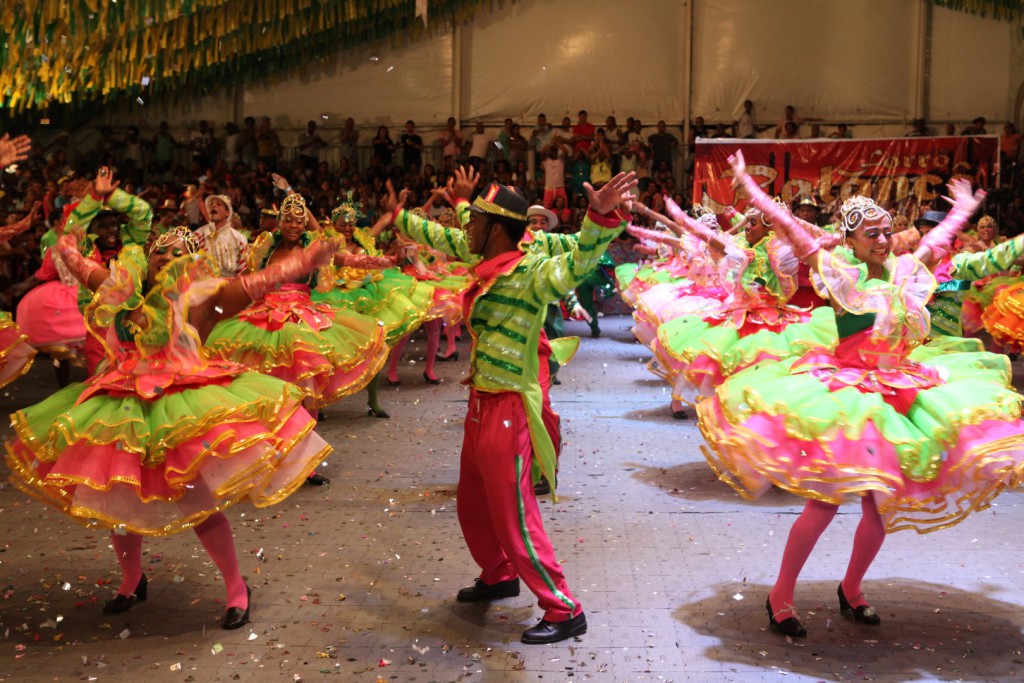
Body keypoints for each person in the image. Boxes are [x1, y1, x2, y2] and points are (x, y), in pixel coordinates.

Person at [701, 151, 1024, 639]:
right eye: (870, 233)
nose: (882, 240)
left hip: (899, 391)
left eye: (886, 231)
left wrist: (961, 211)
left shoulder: (904, 271)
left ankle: (851, 589)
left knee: (879, 503)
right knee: (825, 502)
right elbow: (790, 227)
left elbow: (936, 244)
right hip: (848, 395)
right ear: (849, 238)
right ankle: (780, 596)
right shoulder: (838, 273)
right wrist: (748, 184)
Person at [6, 219, 337, 630]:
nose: (169, 257)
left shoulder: (202, 300)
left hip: (179, 409)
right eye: (162, 250)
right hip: (121, 407)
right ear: (148, 258)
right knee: (119, 501)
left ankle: (236, 588)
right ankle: (132, 580)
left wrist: (306, 259)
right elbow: (81, 267)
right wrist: (67, 242)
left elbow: (258, 282)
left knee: (197, 502)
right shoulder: (124, 291)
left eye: (180, 251)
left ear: (194, 261)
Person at [388, 166, 637, 644]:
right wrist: (399, 217)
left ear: (498, 228)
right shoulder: (488, 257)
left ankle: (563, 607)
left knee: (514, 513)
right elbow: (449, 234)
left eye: (476, 221)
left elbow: (578, 267)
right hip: (481, 402)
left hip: (507, 410)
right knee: (472, 502)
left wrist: (598, 219)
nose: (468, 229)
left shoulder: (530, 270)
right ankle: (498, 574)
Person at [205, 193, 390, 446]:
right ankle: (275, 446)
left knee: (307, 391)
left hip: (302, 322)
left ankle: (308, 452)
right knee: (268, 388)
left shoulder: (312, 249)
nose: (294, 225)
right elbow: (249, 283)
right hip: (263, 322)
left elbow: (349, 259)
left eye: (299, 221)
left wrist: (389, 260)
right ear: (279, 222)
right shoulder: (264, 249)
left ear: (305, 225)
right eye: (289, 220)